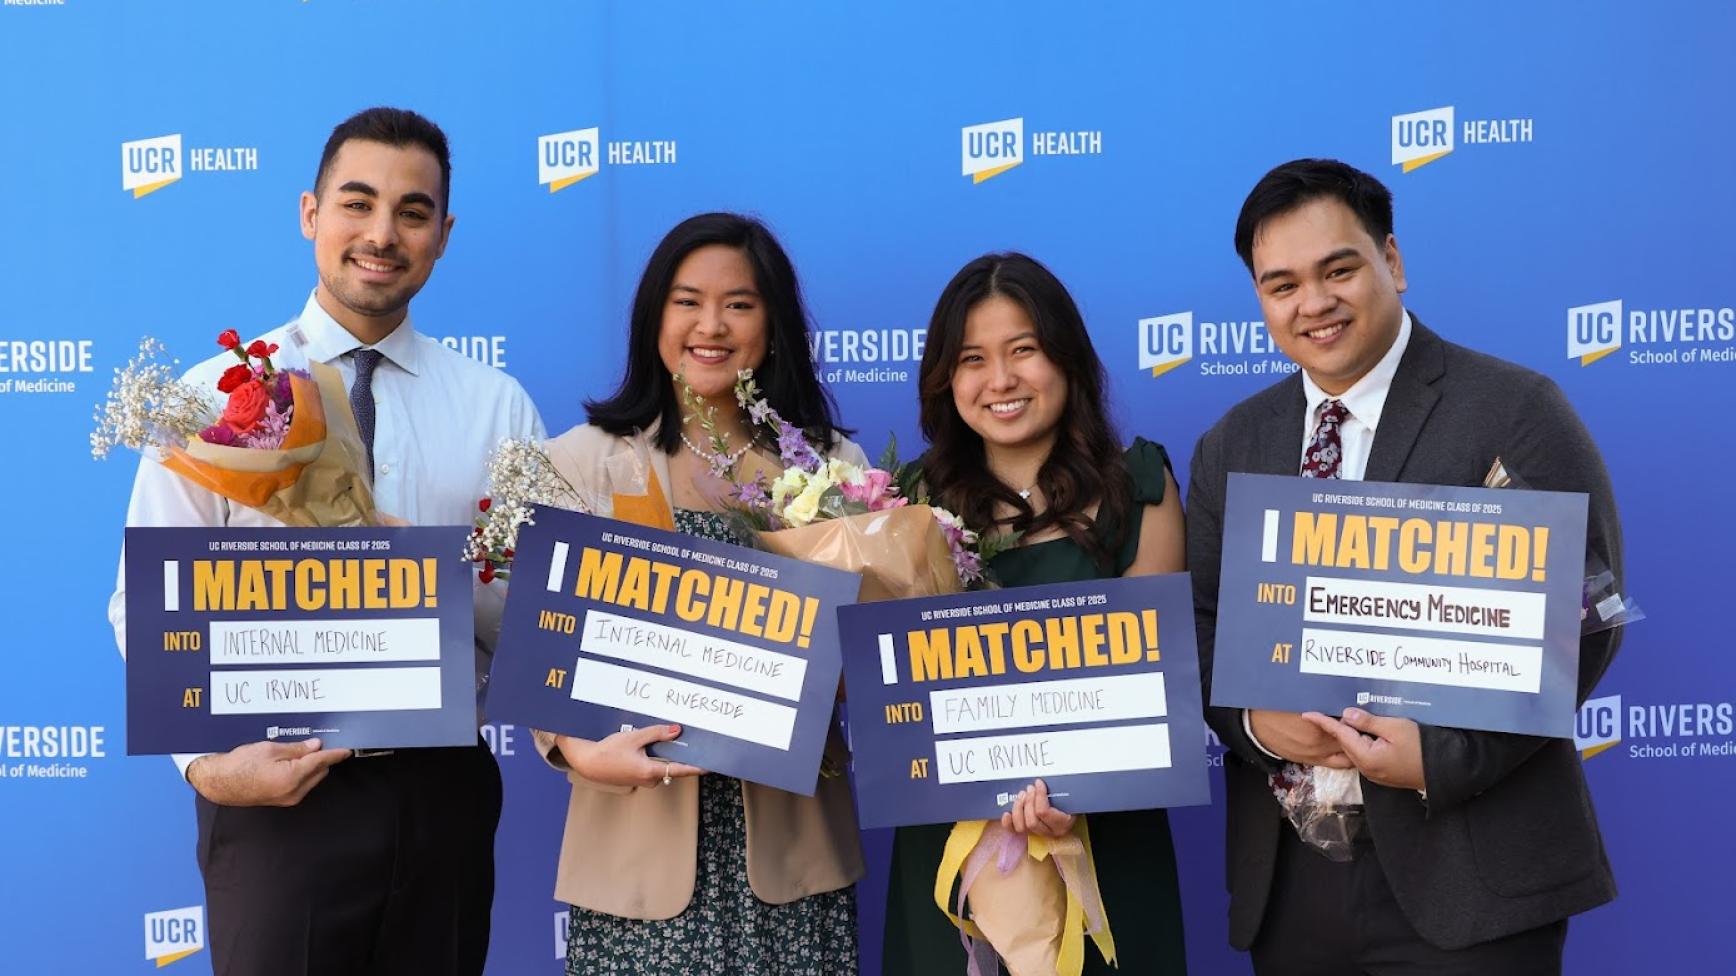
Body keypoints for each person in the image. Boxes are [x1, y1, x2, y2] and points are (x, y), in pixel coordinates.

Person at [106, 107, 545, 975]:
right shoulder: (213, 398)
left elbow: (530, 620)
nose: (382, 234)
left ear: (443, 234)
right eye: (358, 203)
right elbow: (143, 606)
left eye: (412, 212)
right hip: (273, 792)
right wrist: (209, 770)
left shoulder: (499, 408)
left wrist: (436, 573)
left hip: (441, 792)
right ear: (311, 213)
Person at [1186, 158, 1623, 974]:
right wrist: (1251, 721)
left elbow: (1582, 619)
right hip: (1293, 882)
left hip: (1472, 869)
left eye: (1338, 269)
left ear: (1392, 260)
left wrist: (1442, 757)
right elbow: (1200, 627)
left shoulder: (1514, 409)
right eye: (1281, 285)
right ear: (1260, 300)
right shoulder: (1231, 445)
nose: (1313, 303)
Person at [530, 212, 865, 976]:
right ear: (655, 318)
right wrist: (581, 750)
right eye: (687, 301)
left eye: (740, 304)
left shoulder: (828, 466)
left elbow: (859, 662)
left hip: (791, 853)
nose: (711, 325)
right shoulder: (581, 463)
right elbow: (543, 656)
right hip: (636, 852)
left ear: (773, 324)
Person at [883, 252, 1189, 975]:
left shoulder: (1139, 484)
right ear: (944, 378)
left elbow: (1151, 687)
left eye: (1024, 350)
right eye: (973, 359)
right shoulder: (905, 499)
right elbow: (891, 691)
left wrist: (1071, 793)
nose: (1001, 381)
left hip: (1105, 844)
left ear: (1067, 358)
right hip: (951, 851)